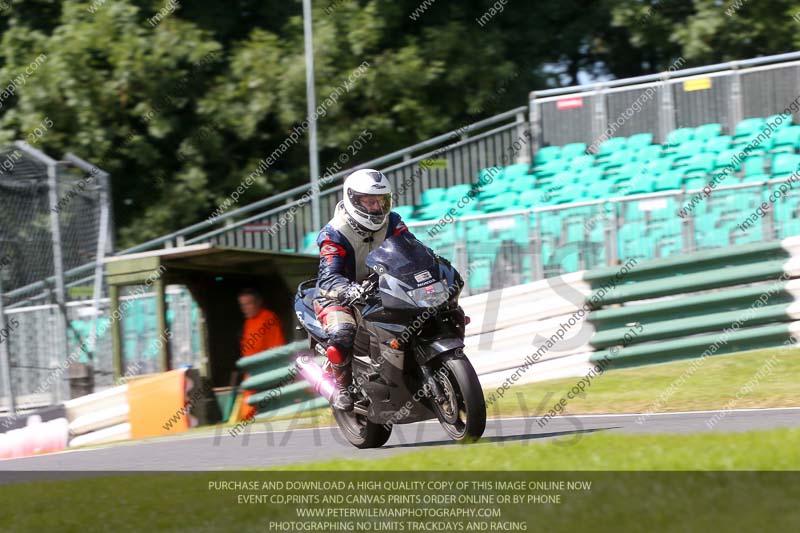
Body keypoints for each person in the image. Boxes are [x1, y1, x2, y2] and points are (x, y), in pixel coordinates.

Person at [314, 169, 414, 411]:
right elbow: (328, 276)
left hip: (383, 288)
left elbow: (412, 249)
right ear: (354, 200)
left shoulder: (393, 222)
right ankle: (342, 387)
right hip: (339, 295)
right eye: (370, 202)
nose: (377, 207)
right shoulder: (333, 233)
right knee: (342, 332)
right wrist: (348, 290)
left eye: (382, 201)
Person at [237, 287, 286, 420]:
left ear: (258, 303)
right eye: (242, 305)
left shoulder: (268, 318)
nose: (245, 308)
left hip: (266, 370)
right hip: (252, 372)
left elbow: (277, 347)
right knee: (247, 411)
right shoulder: (248, 322)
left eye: (248, 304)